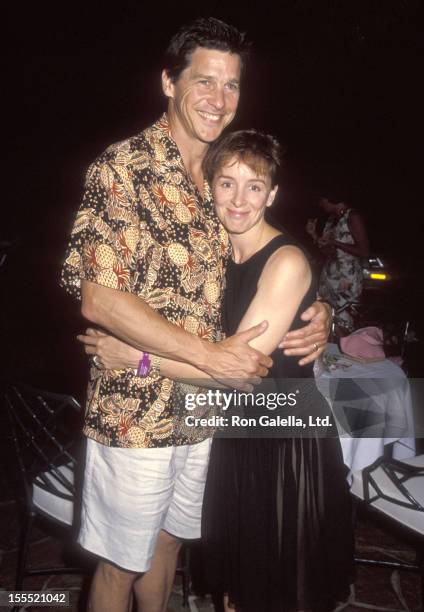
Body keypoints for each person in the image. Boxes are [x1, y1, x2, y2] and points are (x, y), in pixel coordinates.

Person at [61, 18, 331, 612]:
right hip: (137, 409)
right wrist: (206, 355)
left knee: (169, 547)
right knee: (118, 565)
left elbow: (263, 259)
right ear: (167, 82)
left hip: (208, 413)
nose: (218, 98)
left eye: (231, 85)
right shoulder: (122, 169)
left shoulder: (221, 174)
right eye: (203, 81)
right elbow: (99, 298)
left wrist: (316, 309)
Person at [83, 130, 353, 612]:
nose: (239, 199)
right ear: (208, 187)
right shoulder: (213, 250)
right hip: (230, 428)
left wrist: (135, 358)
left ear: (272, 194)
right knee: (238, 578)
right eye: (226, 183)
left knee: (277, 582)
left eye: (254, 187)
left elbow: (239, 373)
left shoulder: (284, 260)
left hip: (283, 437)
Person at [306, 196, 369, 333]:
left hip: (347, 278)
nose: (321, 205)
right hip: (329, 277)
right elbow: (327, 250)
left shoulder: (352, 216)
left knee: (344, 322)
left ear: (331, 199)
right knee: (325, 320)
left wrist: (336, 243)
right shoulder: (331, 220)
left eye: (322, 201)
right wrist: (313, 235)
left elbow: (364, 251)